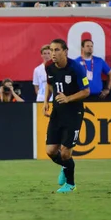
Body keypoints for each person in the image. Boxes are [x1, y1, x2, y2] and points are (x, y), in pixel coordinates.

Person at [44, 38, 90, 193]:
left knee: (65, 152)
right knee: (50, 151)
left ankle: (71, 185)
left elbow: (86, 91)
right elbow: (49, 85)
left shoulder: (76, 68)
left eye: (57, 50)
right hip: (57, 113)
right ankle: (65, 166)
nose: (53, 53)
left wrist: (68, 98)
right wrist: (46, 102)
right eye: (51, 50)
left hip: (73, 113)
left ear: (65, 51)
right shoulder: (49, 67)